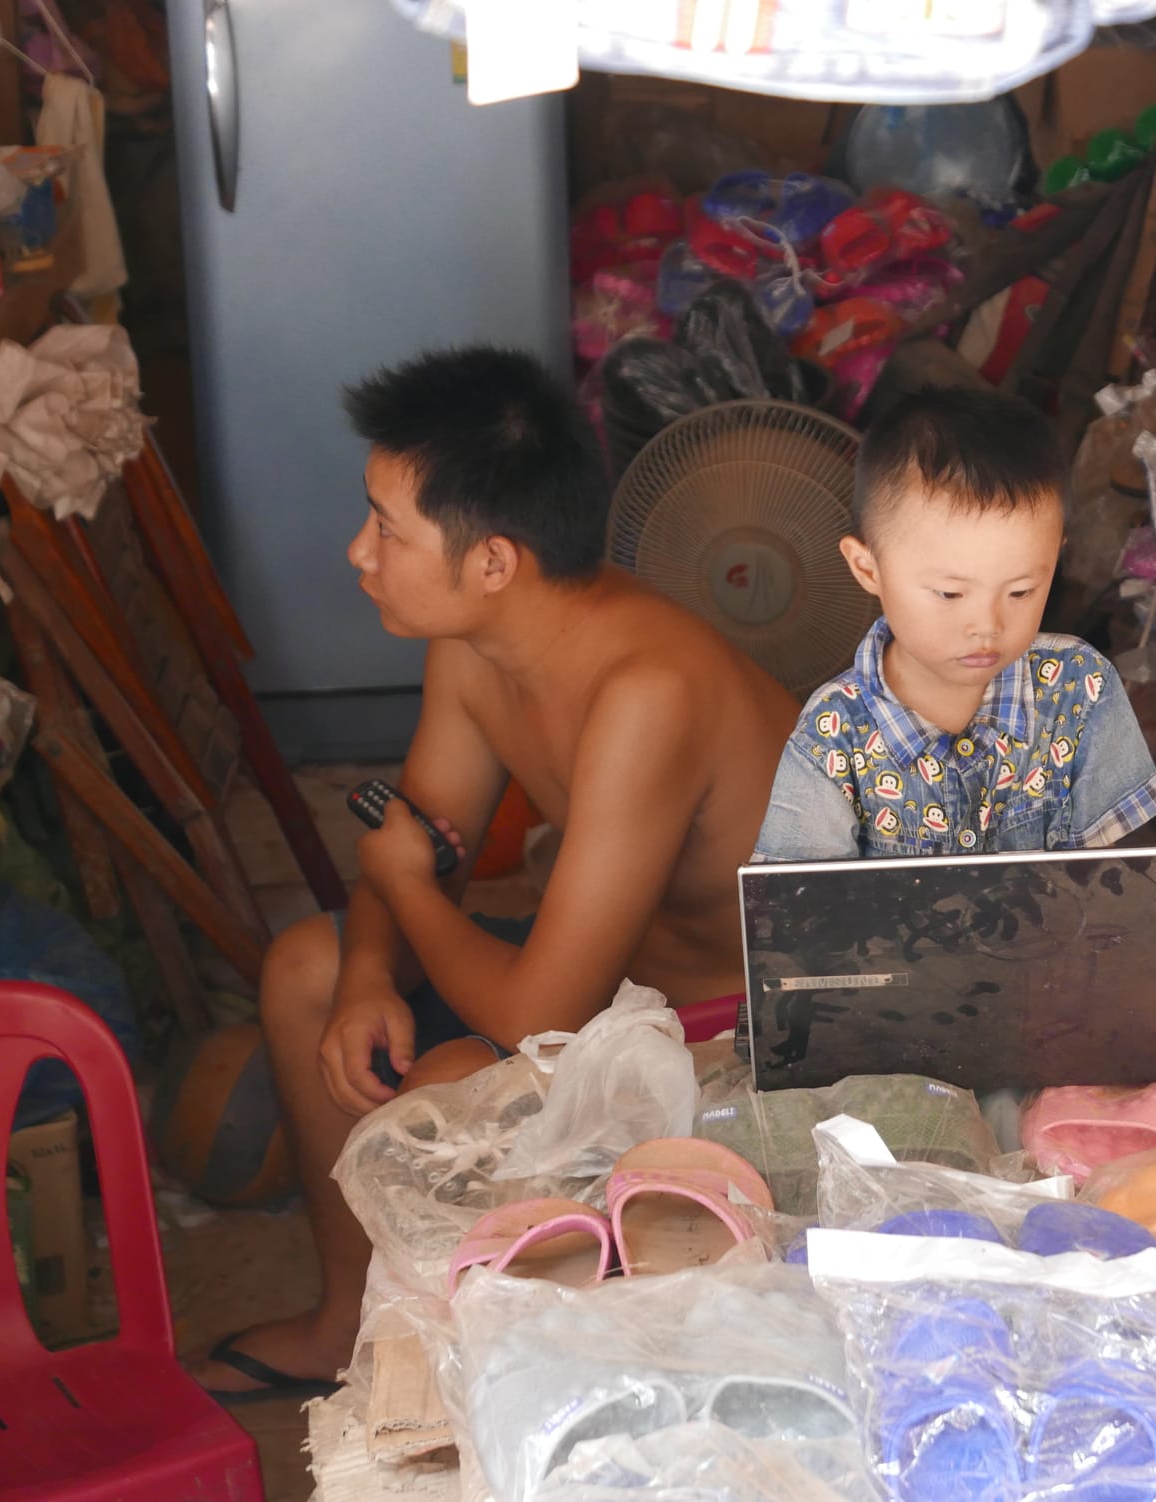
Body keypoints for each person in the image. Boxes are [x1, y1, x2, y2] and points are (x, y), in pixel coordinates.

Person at [194, 347, 798, 1400]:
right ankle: (347, 1322)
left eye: (388, 529)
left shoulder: (643, 691)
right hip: (614, 995)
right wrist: (368, 974)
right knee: (308, 967)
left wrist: (412, 896)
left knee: (446, 1089)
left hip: (731, 1040)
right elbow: (414, 849)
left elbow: (529, 1008)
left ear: (492, 562)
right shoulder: (473, 641)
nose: (358, 551)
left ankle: (449, 1388)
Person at [754, 387, 1156, 863]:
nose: (986, 625)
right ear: (868, 569)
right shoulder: (833, 736)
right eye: (950, 594)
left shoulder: (1080, 686)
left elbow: (1128, 875)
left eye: (1021, 592)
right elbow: (803, 915)